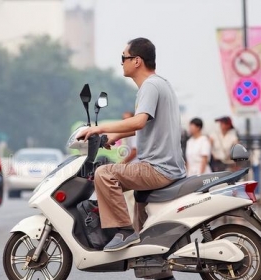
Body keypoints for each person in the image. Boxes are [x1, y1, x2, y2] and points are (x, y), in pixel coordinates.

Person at [77, 37, 186, 255]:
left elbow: (138, 122)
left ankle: (124, 231)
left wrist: (99, 129)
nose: (121, 63)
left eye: (123, 58)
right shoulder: (160, 84)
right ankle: (159, 270)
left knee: (105, 174)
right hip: (167, 167)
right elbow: (141, 127)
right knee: (146, 243)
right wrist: (110, 137)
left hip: (156, 168)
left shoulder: (150, 86)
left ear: (137, 61)